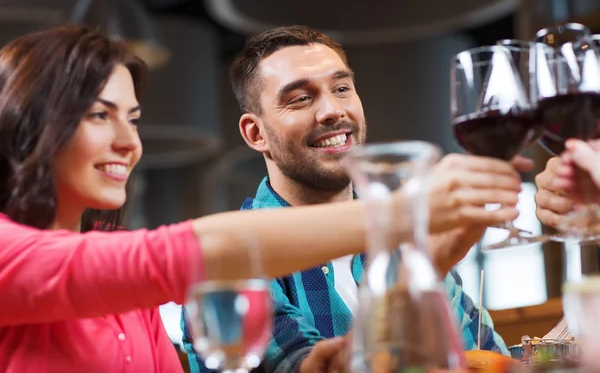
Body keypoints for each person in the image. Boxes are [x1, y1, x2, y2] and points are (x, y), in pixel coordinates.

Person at [0, 25, 510, 373]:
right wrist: (404, 213)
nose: (128, 143)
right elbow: (186, 255)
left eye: (132, 119)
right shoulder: (8, 252)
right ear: (28, 127)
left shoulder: (131, 306)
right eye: (98, 115)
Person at [182, 25, 530, 373]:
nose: (332, 110)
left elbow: (486, 357)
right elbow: (309, 368)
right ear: (256, 133)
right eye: (301, 98)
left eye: (342, 88)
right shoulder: (226, 262)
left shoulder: (405, 240)